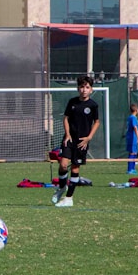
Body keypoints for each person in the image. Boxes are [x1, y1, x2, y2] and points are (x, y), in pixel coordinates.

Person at [52, 75, 100, 208]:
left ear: (91, 90)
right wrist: (67, 134)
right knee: (63, 164)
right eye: (82, 87)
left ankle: (69, 198)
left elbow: (97, 122)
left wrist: (89, 137)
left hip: (82, 141)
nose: (84, 90)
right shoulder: (72, 102)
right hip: (70, 139)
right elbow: (66, 118)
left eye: (87, 87)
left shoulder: (93, 105)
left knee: (74, 167)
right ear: (78, 88)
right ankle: (62, 188)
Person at [125, 103, 138, 174]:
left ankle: (132, 168)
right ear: (136, 110)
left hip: (130, 137)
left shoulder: (129, 117)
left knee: (133, 152)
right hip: (133, 138)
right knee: (132, 153)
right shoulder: (133, 118)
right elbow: (135, 127)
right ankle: (130, 169)